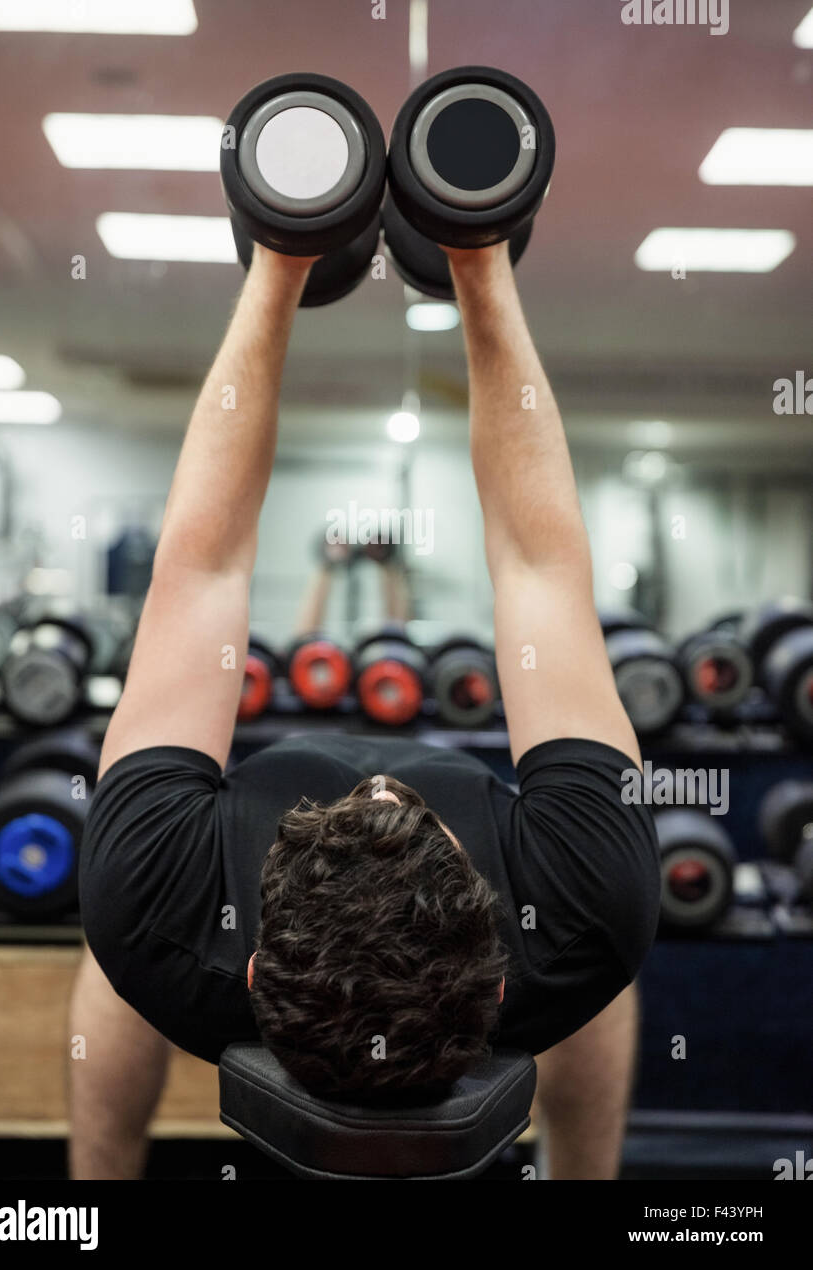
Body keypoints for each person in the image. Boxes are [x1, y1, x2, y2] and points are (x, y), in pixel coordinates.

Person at [72, 241, 661, 1180]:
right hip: (575, 932)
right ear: (502, 975)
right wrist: (480, 258)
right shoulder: (582, 905)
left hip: (162, 928)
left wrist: (278, 257)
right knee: (606, 963)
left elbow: (204, 564)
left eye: (354, 810)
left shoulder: (157, 903)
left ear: (254, 969)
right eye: (411, 815)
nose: (380, 780)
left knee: (110, 951)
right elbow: (537, 565)